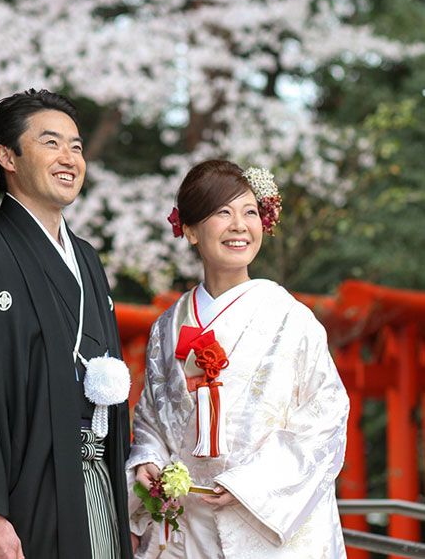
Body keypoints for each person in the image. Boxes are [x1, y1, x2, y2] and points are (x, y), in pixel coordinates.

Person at [0, 89, 134, 559]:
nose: (69, 158)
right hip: (22, 491)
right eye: (51, 143)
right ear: (6, 155)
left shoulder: (88, 261)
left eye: (76, 146)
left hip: (93, 481)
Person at [127, 159, 349, 558]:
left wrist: (250, 484)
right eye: (221, 213)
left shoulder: (291, 319)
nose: (239, 225)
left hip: (261, 524)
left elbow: (325, 418)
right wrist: (149, 462)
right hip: (186, 527)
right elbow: (150, 421)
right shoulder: (167, 327)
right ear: (190, 230)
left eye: (249, 212)